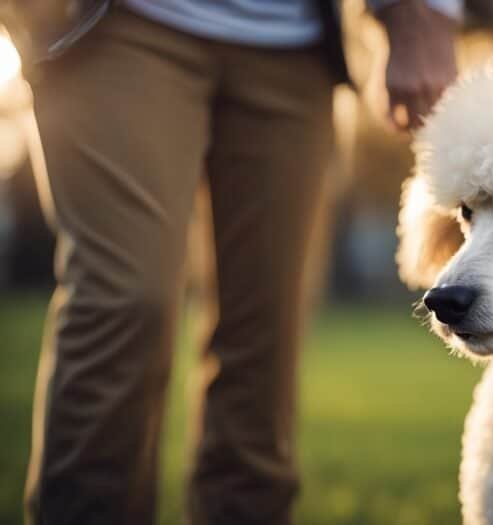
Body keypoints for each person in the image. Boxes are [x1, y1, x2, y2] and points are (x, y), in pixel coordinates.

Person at [17, 1, 460, 524]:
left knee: (264, 347)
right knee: (125, 302)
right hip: (113, 25)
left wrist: (421, 10)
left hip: (292, 45)